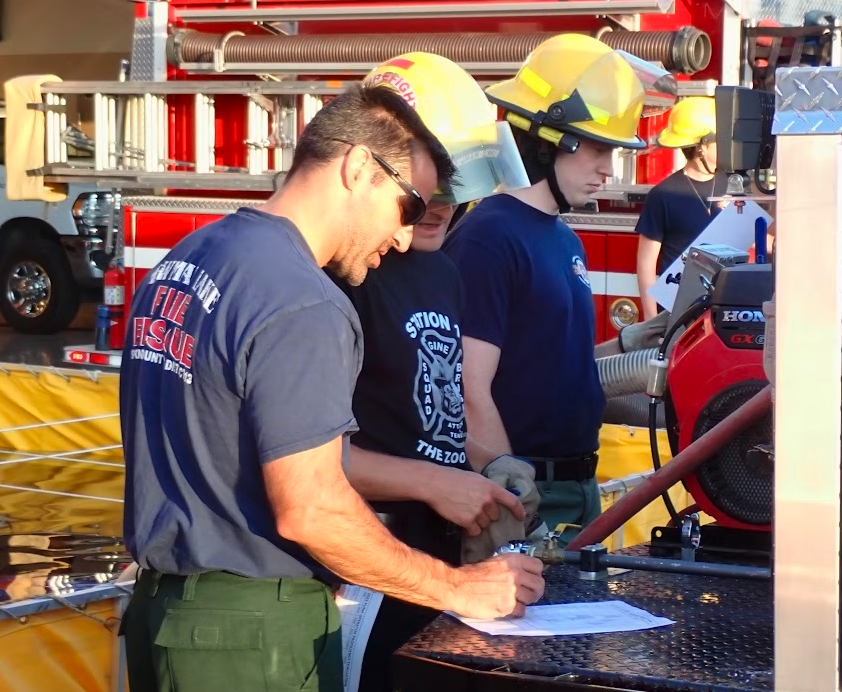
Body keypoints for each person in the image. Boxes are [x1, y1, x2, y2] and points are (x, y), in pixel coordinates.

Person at [117, 80, 545, 692]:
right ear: (359, 170)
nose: (404, 236)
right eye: (410, 207)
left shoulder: (190, 258)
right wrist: (456, 587)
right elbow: (311, 510)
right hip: (252, 633)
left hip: (167, 613)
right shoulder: (302, 300)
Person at [325, 53, 536, 692]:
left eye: (457, 185)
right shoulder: (350, 270)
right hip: (365, 559)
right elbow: (307, 455)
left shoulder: (443, 270)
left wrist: (488, 472)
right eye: (430, 185)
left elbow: (435, 402)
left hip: (438, 550)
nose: (442, 204)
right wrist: (432, 485)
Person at [441, 33, 675, 543]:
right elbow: (467, 388)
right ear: (549, 140)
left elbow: (549, 362)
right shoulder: (488, 237)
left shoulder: (563, 237)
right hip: (526, 493)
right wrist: (509, 497)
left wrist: (635, 343)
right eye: (596, 149)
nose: (607, 170)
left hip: (576, 487)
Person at [635, 96, 730, 320]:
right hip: (676, 312)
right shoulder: (663, 195)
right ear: (701, 148)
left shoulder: (734, 186)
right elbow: (646, 265)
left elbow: (760, 237)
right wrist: (651, 322)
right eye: (722, 139)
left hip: (723, 307)